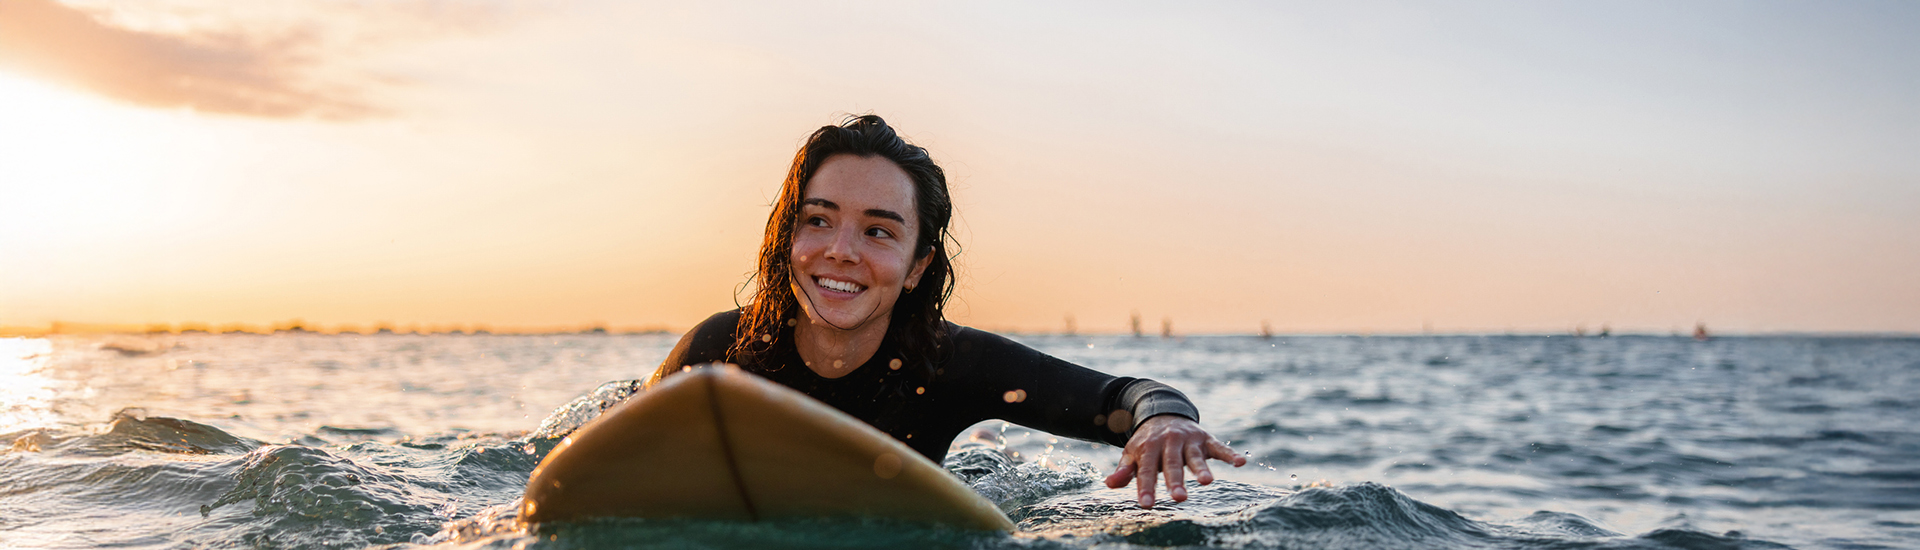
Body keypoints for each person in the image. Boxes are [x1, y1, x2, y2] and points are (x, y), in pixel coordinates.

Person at [650, 115, 1244, 509]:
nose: (841, 251)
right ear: (788, 237)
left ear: (916, 266)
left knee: (992, 461)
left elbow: (1125, 397)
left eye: (879, 231)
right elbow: (619, 451)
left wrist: (1163, 420)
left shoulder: (949, 364)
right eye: (818, 220)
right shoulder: (718, 354)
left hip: (922, 506)